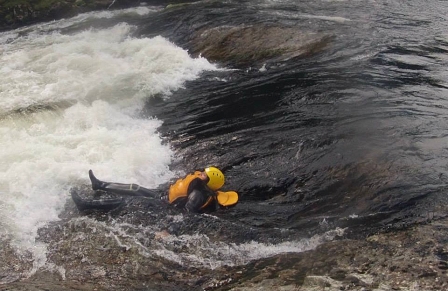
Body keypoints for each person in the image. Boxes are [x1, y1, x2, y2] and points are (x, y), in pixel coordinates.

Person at [87, 167, 237, 213]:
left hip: (164, 207)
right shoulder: (198, 184)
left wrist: (167, 230)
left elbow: (184, 214)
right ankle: (100, 185)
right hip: (163, 197)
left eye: (205, 175)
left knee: (126, 202)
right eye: (204, 172)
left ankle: (86, 205)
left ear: (209, 182)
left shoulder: (197, 195)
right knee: (135, 187)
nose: (202, 174)